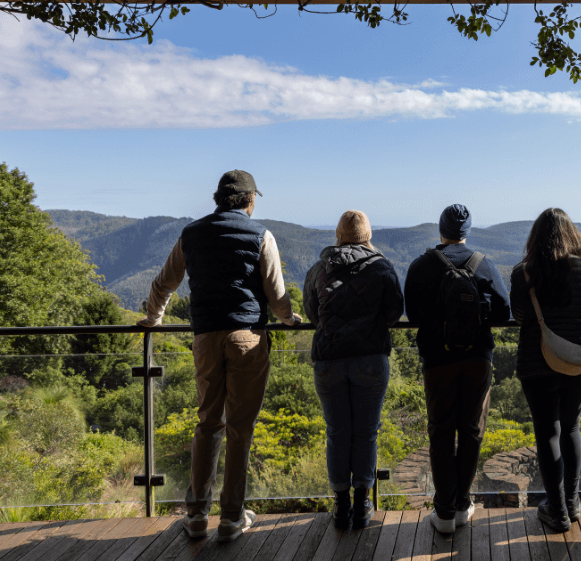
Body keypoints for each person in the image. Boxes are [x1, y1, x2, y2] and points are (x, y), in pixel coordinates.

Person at [138, 170, 301, 542]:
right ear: (249, 200)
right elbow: (276, 293)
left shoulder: (191, 234)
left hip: (206, 337)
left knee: (208, 422)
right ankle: (231, 518)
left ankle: (195, 514)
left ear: (217, 199)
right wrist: (289, 319)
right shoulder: (261, 234)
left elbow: (164, 282)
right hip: (248, 337)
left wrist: (153, 319)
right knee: (240, 428)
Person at [404, 203, 510, 535]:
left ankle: (444, 512)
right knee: (471, 431)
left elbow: (414, 315)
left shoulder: (422, 267)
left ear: (441, 231)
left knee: (440, 431)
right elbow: (504, 313)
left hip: (437, 360)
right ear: (466, 233)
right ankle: (464, 505)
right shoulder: (484, 265)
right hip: (478, 359)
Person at [303, 210, 404, 530]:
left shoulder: (319, 269)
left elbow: (311, 313)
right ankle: (363, 504)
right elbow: (393, 313)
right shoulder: (382, 267)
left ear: (338, 235)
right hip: (370, 359)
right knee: (366, 432)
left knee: (337, 432)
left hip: (329, 359)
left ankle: (341, 504)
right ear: (368, 237)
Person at [509, 208, 581, 533]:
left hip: (535, 363)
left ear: (535, 238)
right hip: (575, 361)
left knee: (547, 432)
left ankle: (556, 509)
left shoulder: (524, 273)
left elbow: (518, 315)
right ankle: (573, 503)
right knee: (571, 427)